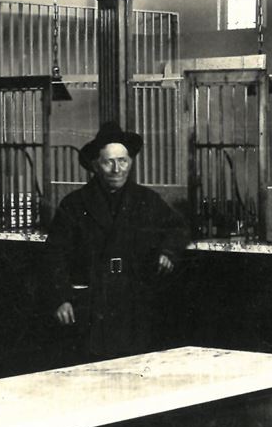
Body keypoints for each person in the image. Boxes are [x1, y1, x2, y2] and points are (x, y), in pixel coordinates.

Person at [48, 124, 189, 357]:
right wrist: (60, 299)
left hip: (133, 305)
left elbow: (178, 227)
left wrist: (169, 252)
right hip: (91, 306)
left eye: (123, 161)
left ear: (131, 162)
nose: (117, 169)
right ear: (95, 166)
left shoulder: (147, 200)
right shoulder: (74, 205)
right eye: (108, 162)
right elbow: (54, 255)